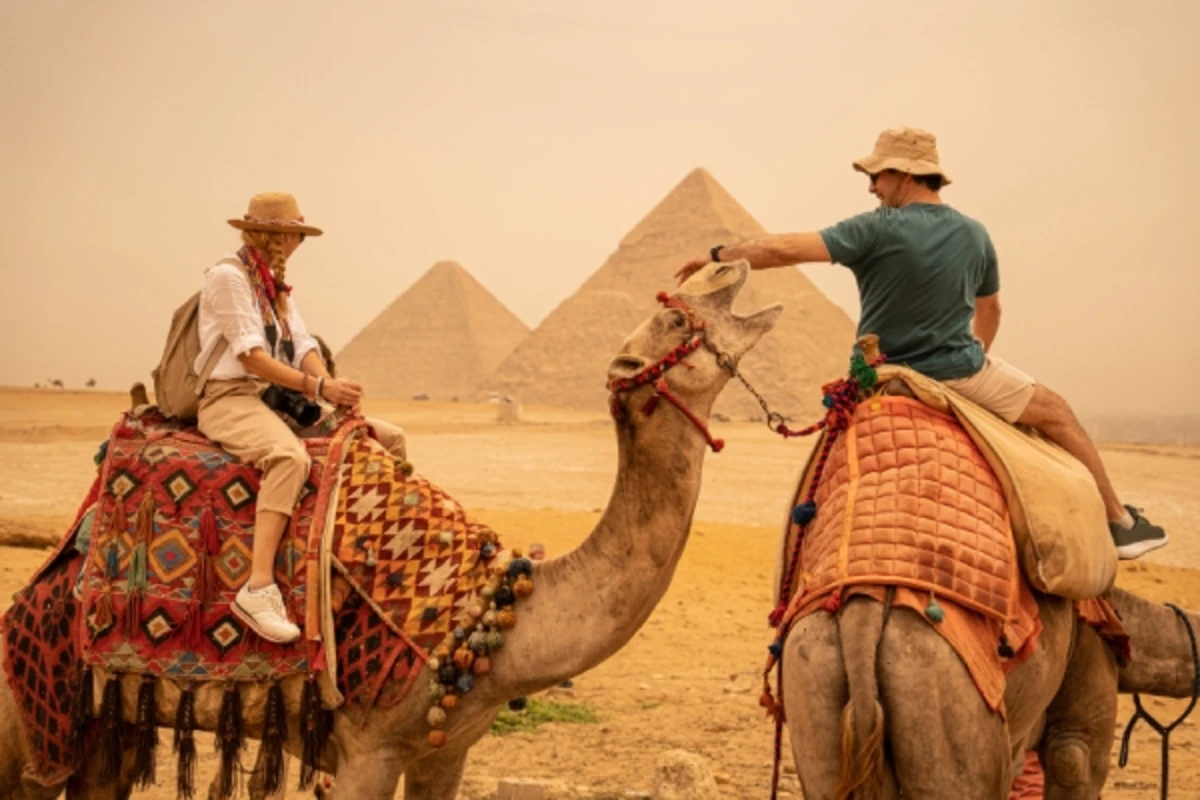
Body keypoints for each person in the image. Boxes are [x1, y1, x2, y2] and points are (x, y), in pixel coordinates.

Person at [674, 127, 1167, 560]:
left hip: (877, 378)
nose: (871, 187)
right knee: (1057, 413)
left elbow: (781, 249)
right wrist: (967, 360)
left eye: (877, 177)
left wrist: (718, 256)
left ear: (904, 174)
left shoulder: (871, 228)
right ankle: (1119, 523)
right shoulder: (976, 235)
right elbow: (990, 311)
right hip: (960, 373)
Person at [196, 191, 409, 642]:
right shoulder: (229, 278)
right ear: (275, 235)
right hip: (227, 396)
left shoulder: (272, 286)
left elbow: (302, 344)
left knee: (387, 438)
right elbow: (251, 357)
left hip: (271, 395)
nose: (296, 244)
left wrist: (335, 389)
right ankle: (257, 588)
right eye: (294, 235)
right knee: (287, 459)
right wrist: (318, 388)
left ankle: (370, 556)